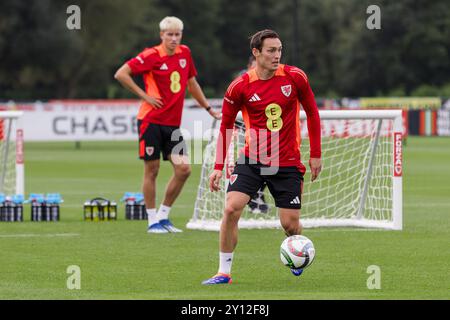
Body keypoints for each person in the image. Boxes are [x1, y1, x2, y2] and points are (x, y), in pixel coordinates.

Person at [202, 29, 322, 284]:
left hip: (287, 162)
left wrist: (316, 154)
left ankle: (298, 253)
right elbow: (225, 126)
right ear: (256, 53)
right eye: (271, 50)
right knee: (231, 208)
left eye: (279, 50)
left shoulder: (295, 77)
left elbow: (312, 113)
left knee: (290, 225)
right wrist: (218, 166)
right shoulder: (239, 87)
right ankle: (224, 271)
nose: (277, 55)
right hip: (252, 160)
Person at [114, 16, 221, 234]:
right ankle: (152, 220)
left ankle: (163, 216)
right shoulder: (151, 55)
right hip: (150, 121)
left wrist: (208, 109)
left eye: (177, 34)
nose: (173, 39)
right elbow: (121, 74)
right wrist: (145, 96)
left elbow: (192, 83)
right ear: (161, 35)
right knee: (151, 170)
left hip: (172, 125)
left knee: (184, 169)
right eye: (169, 34)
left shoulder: (185, 53)